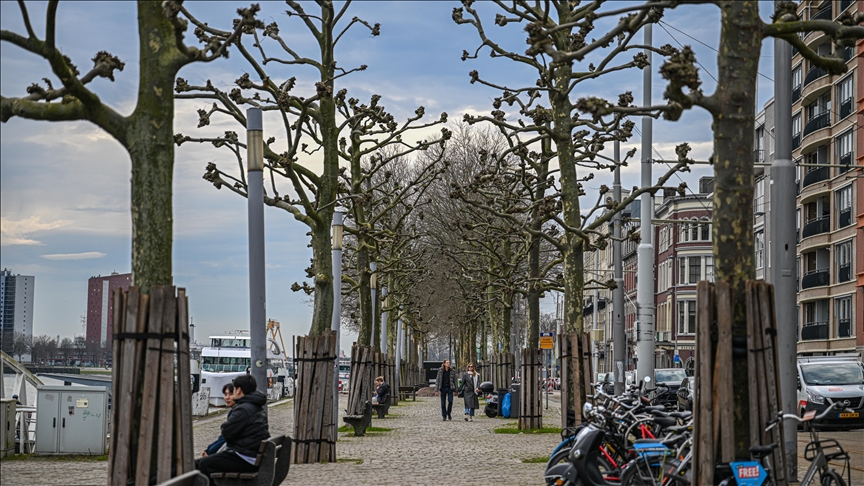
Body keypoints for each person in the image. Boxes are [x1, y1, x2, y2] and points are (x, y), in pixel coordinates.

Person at [195, 374, 270, 477]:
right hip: (252, 455)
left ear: (238, 390)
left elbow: (227, 432)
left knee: (205, 464)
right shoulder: (256, 407)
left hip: (245, 457)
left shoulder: (243, 409)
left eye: (233, 390)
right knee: (199, 463)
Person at [201, 383, 236, 457]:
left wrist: (210, 451)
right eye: (225, 394)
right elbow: (223, 436)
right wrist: (208, 449)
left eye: (230, 394)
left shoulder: (237, 414)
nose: (227, 397)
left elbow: (227, 438)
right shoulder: (231, 412)